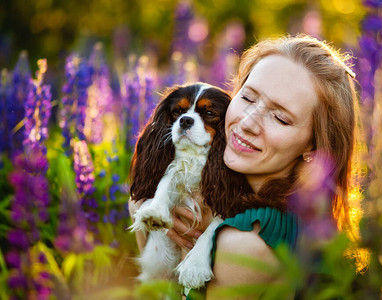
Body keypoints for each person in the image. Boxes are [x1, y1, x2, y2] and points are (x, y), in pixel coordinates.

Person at [128, 34, 363, 299]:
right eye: (248, 98)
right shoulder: (275, 218)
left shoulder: (243, 244)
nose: (248, 122)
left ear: (314, 146)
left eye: (280, 118)